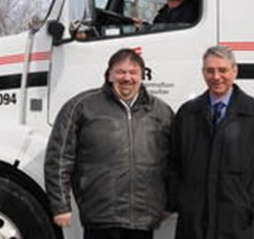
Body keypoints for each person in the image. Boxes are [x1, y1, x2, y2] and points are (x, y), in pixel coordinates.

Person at [44, 48, 174, 239]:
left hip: (143, 220)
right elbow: (59, 158)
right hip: (101, 217)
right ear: (109, 75)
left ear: (142, 76)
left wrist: (171, 203)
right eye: (121, 72)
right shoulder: (81, 106)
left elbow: (174, 161)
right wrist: (61, 206)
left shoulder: (161, 112)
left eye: (133, 72)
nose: (127, 78)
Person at [168, 45, 254, 239]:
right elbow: (173, 162)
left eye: (222, 70)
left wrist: (249, 206)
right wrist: (182, 200)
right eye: (210, 70)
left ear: (234, 70)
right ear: (203, 72)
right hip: (194, 223)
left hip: (238, 225)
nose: (216, 77)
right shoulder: (188, 113)